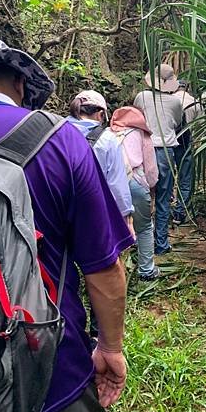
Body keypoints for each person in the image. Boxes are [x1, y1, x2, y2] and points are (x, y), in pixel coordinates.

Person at [0, 36, 133, 412]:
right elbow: (103, 270)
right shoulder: (61, 141)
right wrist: (111, 348)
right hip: (48, 366)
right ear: (20, 83)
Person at [67, 90, 134, 235]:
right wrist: (126, 219)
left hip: (59, 210)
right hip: (95, 212)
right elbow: (117, 184)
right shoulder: (108, 139)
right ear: (100, 114)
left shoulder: (56, 130)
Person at [134, 64, 182, 255]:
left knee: (143, 195)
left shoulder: (141, 97)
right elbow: (176, 122)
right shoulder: (176, 102)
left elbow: (136, 117)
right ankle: (161, 243)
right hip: (165, 151)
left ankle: (141, 242)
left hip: (143, 148)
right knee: (163, 197)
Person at [110, 106, 160, 280]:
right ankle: (146, 270)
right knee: (145, 227)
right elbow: (151, 167)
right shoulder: (142, 134)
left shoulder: (109, 134)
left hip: (113, 185)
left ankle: (117, 273)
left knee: (115, 227)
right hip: (136, 183)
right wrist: (151, 186)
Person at [172, 80, 204, 224]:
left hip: (168, 142)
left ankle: (165, 211)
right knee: (185, 178)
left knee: (167, 177)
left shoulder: (170, 100)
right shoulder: (196, 103)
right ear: (188, 88)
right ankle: (179, 213)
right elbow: (200, 125)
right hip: (186, 143)